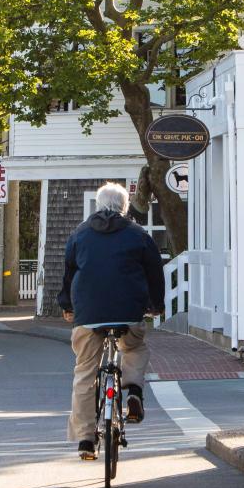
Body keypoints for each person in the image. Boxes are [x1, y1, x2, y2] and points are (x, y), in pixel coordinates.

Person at [57, 182, 165, 460]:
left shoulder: (79, 234)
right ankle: (132, 392)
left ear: (97, 204)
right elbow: (155, 273)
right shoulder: (139, 235)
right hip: (129, 311)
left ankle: (85, 437)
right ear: (124, 206)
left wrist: (67, 306)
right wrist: (156, 305)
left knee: (85, 372)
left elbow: (69, 273)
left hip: (89, 313)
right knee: (134, 348)